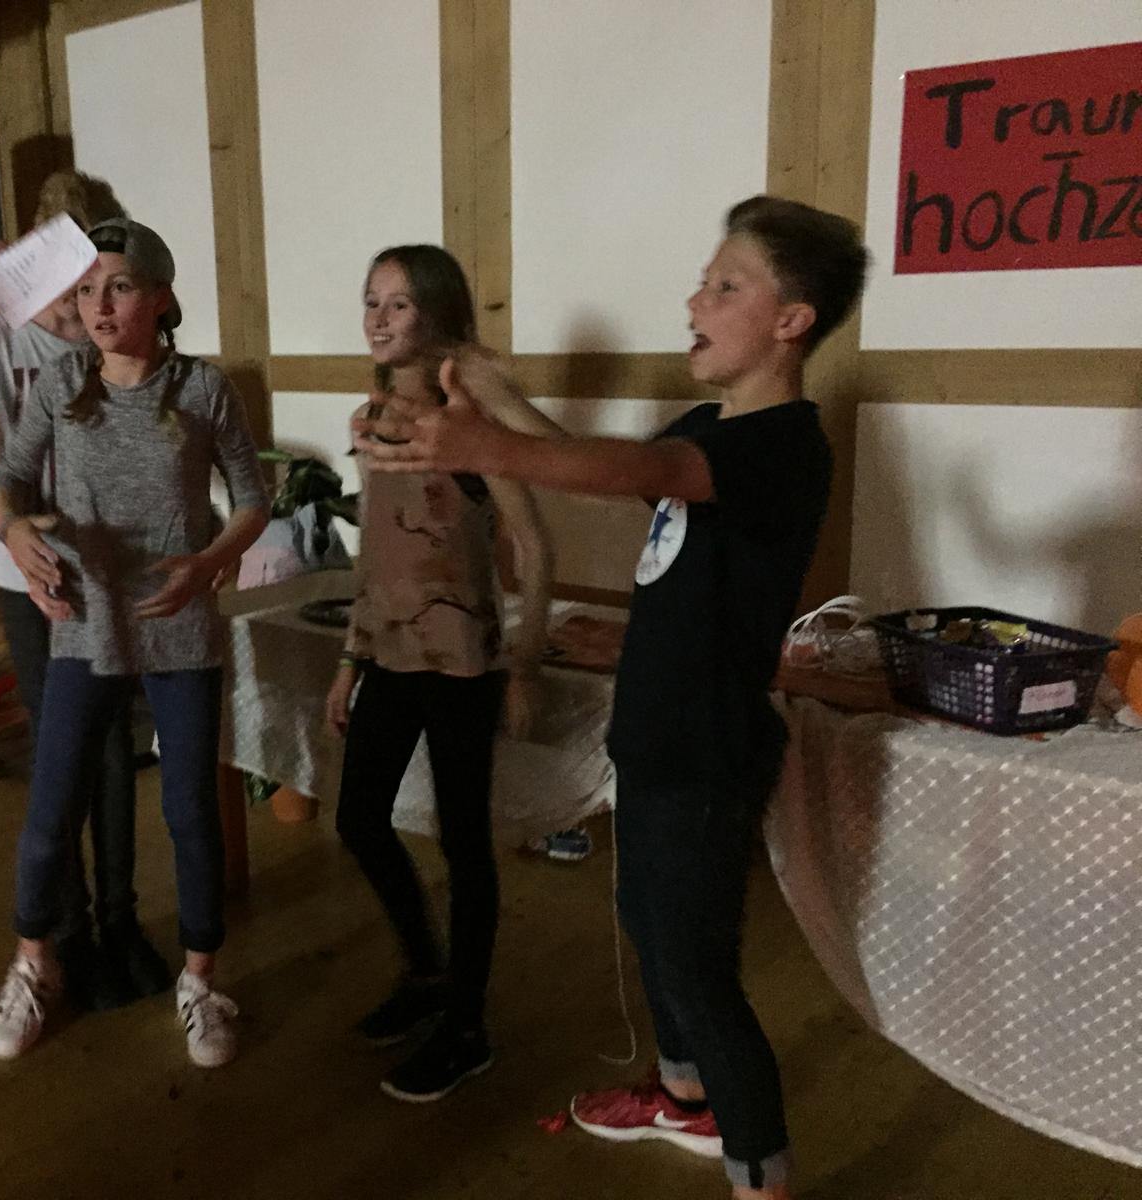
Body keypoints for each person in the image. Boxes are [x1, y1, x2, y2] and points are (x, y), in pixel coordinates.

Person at [355, 197, 868, 1199]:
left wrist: (484, 448)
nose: (695, 300)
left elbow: (637, 466)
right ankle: (681, 1096)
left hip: (706, 749)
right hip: (656, 731)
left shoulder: (781, 444)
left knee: (699, 974)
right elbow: (613, 470)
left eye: (725, 286)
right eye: (702, 281)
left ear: (791, 320)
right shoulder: (711, 425)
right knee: (647, 919)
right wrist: (499, 406)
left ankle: (762, 1174)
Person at [0, 219, 270, 1067]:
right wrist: (14, 533)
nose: (100, 305)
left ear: (161, 297)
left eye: (119, 286)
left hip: (179, 624)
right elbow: (6, 478)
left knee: (189, 812)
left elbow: (253, 497)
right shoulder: (61, 382)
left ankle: (201, 982)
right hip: (84, 623)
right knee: (51, 808)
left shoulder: (203, 389)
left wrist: (210, 561)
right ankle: (32, 965)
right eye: (86, 290)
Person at [328, 245, 556, 1102]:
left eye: (399, 303)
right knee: (358, 819)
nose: (379, 318)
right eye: (371, 301)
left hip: (463, 664)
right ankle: (426, 972)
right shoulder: (370, 419)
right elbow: (375, 556)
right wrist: (348, 662)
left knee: (465, 847)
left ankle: (467, 1026)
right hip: (388, 658)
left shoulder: (470, 424)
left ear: (438, 313)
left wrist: (524, 665)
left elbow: (535, 545)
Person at [0, 171, 171, 1011]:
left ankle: (120, 922)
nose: (89, 288)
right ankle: (65, 932)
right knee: (62, 750)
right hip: (29, 575)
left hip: (107, 570)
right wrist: (13, 531)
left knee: (113, 747)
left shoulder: (112, 336)